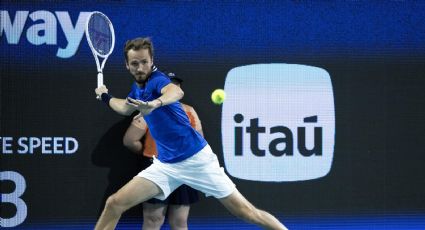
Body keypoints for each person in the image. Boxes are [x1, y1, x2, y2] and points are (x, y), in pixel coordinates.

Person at [94, 37, 288, 230]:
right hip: (166, 165)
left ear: (152, 61)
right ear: (127, 65)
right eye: (135, 63)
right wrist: (105, 96)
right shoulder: (137, 88)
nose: (140, 67)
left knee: (246, 212)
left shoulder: (158, 80)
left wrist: (156, 103)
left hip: (196, 161)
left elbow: (176, 92)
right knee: (114, 203)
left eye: (145, 62)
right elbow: (125, 108)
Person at [122, 73, 202, 230]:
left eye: (176, 85)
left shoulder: (189, 111)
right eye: (169, 85)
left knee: (179, 221)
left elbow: (198, 141)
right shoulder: (147, 111)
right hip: (157, 168)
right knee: (153, 219)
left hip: (184, 168)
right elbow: (130, 141)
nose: (174, 88)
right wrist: (150, 153)